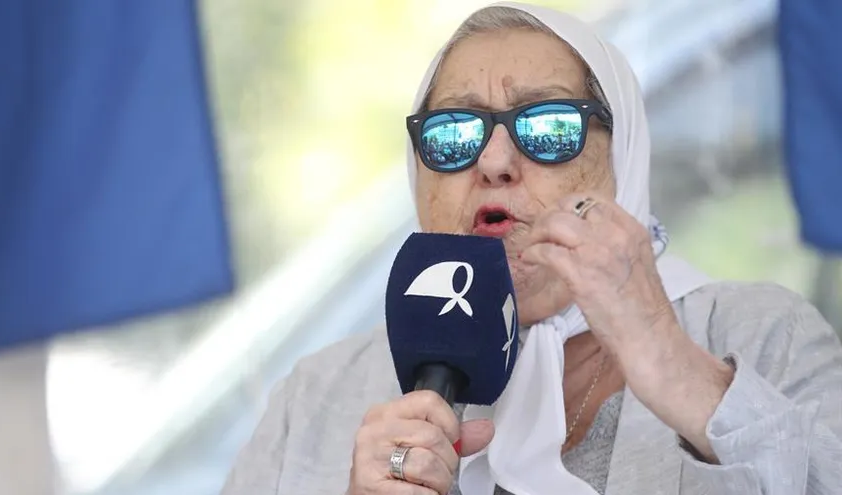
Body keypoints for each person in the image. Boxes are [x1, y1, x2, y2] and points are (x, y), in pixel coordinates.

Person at [222, 2, 842, 494]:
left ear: (622, 158)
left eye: (548, 128)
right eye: (454, 133)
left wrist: (674, 364)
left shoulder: (764, 333)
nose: (493, 162)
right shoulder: (319, 394)